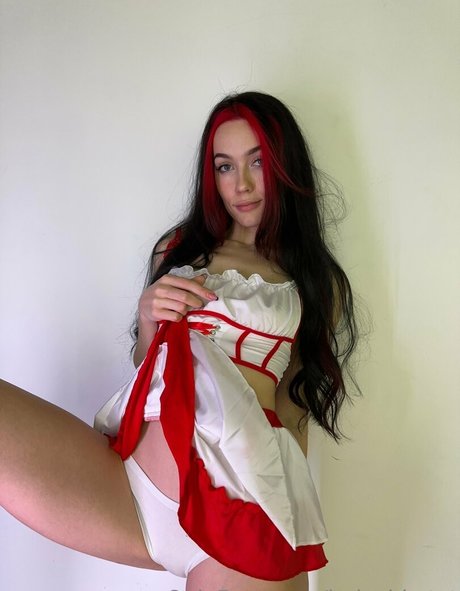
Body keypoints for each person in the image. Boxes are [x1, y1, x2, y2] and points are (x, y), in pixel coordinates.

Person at [0, 91, 358, 590]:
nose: (242, 184)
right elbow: (149, 366)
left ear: (284, 165)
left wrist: (291, 527)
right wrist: (148, 315)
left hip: (240, 514)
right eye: (225, 166)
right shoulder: (178, 249)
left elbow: (293, 406)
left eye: (257, 162)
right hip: (132, 488)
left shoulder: (316, 282)